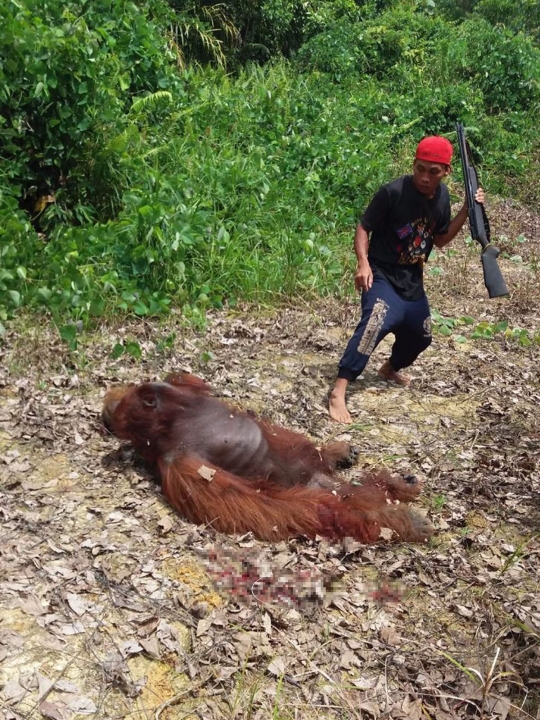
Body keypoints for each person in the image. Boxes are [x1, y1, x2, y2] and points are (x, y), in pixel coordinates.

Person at [328, 135, 485, 424]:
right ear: (413, 165)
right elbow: (364, 229)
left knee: (421, 335)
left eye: (433, 171)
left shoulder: (442, 196)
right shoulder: (393, 192)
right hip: (382, 273)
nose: (425, 177)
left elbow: (440, 240)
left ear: (446, 172)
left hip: (411, 278)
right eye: (420, 168)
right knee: (376, 321)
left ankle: (389, 369)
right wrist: (363, 264)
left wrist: (467, 209)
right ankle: (339, 389)